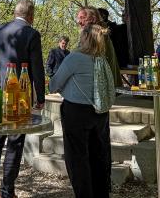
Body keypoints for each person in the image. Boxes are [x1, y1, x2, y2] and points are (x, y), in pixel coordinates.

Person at [0, 0, 46, 198]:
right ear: (31, 15)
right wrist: (40, 96)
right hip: (18, 95)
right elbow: (37, 67)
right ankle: (7, 191)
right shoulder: (31, 34)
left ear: (15, 13)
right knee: (15, 141)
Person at [49, 24, 112, 198]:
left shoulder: (74, 58)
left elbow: (54, 84)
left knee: (77, 158)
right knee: (97, 157)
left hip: (76, 112)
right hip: (100, 113)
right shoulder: (102, 59)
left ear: (85, 38)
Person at [76, 7, 121, 89]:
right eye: (78, 18)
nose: (79, 22)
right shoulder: (99, 33)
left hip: (102, 89)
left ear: (93, 19)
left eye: (82, 18)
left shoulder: (97, 36)